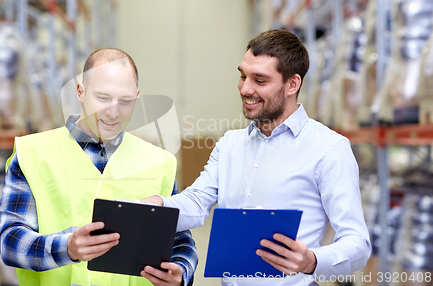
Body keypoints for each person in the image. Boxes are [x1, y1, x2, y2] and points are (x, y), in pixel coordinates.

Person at [143, 30, 371, 285]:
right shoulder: (230, 144)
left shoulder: (329, 148)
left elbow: (357, 243)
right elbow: (196, 202)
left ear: (292, 84)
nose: (245, 88)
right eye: (242, 76)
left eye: (260, 80)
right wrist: (157, 207)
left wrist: (312, 261)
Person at [0, 48, 198, 286]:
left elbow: (180, 240)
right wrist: (68, 247)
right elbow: (10, 242)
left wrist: (182, 271)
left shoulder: (159, 162)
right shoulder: (33, 153)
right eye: (102, 98)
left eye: (125, 101)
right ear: (81, 92)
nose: (113, 112)